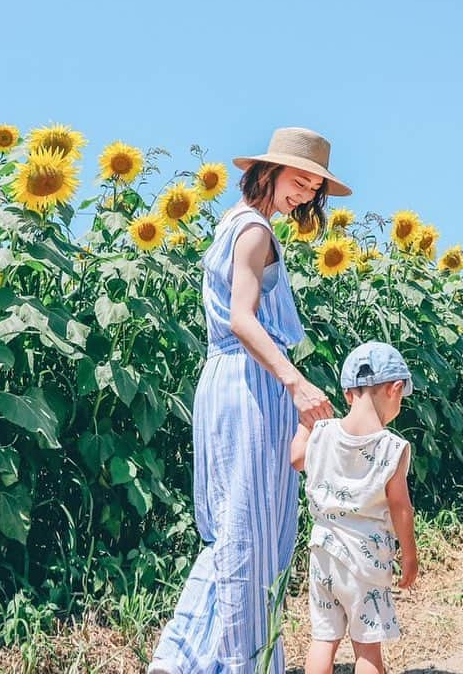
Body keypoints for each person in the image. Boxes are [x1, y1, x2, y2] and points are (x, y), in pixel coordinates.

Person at [149, 127, 352, 674]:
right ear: (269, 172)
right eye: (300, 179)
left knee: (230, 530)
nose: (306, 194)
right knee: (255, 534)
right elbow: (243, 318)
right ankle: (243, 664)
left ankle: (187, 659)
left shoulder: (229, 223)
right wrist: (296, 381)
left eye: (315, 188)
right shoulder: (257, 230)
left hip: (224, 380)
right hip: (253, 384)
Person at [290, 342, 419, 674]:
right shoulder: (393, 448)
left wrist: (307, 424)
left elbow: (296, 459)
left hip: (323, 553)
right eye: (402, 398)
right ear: (394, 389)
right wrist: (409, 555)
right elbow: (401, 508)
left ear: (348, 394)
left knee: (323, 639)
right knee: (366, 647)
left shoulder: (322, 434)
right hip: (366, 559)